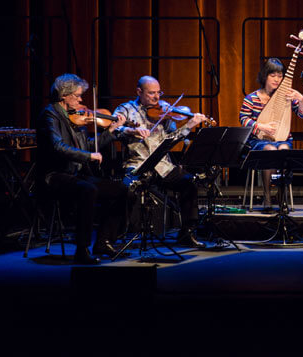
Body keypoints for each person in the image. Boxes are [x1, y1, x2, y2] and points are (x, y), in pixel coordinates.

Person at [36, 74, 129, 264]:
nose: (81, 100)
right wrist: (88, 157)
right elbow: (57, 147)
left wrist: (111, 131)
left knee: (121, 190)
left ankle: (104, 241)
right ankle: (81, 249)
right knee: (89, 190)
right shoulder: (50, 114)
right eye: (77, 96)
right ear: (64, 95)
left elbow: (87, 146)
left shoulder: (76, 117)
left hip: (74, 174)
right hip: (53, 175)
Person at [113, 75, 210, 248]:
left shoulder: (165, 111)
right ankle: (119, 233)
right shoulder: (126, 109)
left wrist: (189, 125)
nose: (157, 98)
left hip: (163, 166)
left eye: (159, 92)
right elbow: (114, 128)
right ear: (139, 92)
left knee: (189, 184)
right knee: (126, 190)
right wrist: (130, 130)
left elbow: (172, 139)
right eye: (151, 93)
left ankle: (187, 233)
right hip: (137, 164)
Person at [239, 58, 303, 212]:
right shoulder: (251, 98)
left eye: (280, 76)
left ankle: (281, 196)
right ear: (265, 76)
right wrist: (261, 125)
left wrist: (301, 99)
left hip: (282, 139)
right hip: (258, 142)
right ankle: (267, 196)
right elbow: (243, 119)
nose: (277, 79)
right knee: (270, 150)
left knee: (284, 149)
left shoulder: (286, 97)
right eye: (273, 75)